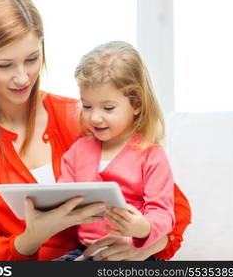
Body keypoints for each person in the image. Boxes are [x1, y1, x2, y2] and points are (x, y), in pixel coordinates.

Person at [0, 0, 191, 261]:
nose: (22, 78)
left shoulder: (84, 116)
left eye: (32, 59)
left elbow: (177, 209)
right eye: (5, 65)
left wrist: (143, 247)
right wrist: (33, 237)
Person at [55, 41, 178, 261]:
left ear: (136, 104)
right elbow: (63, 197)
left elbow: (163, 213)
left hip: (135, 253)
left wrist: (142, 228)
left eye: (108, 108)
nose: (95, 117)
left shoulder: (150, 154)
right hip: (86, 252)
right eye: (87, 106)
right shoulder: (78, 151)